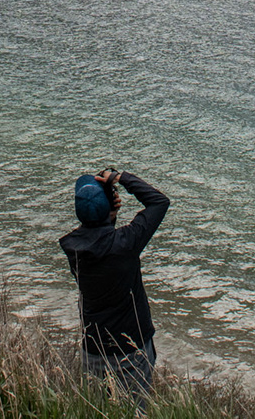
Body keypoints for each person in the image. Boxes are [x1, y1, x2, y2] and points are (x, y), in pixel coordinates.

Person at [59, 166, 170, 404]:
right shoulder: (125, 244)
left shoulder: (73, 248)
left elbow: (98, 239)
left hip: (93, 348)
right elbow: (159, 202)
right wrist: (121, 178)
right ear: (108, 210)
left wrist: (107, 214)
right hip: (131, 350)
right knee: (134, 410)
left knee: (99, 410)